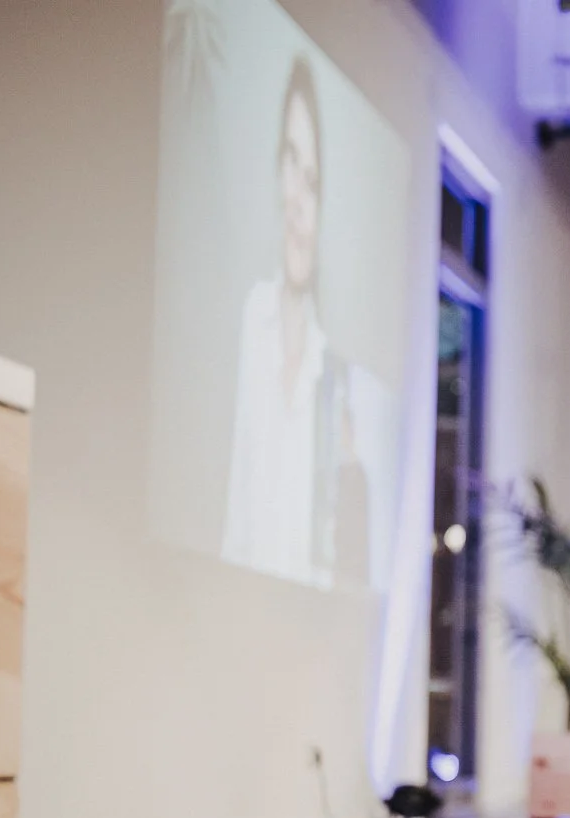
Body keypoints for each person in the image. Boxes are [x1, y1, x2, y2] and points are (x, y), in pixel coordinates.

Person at [224, 55, 384, 590]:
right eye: (290, 162)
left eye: (312, 182)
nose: (297, 199)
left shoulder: (336, 377)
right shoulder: (250, 321)